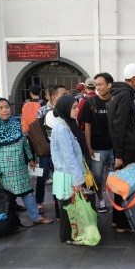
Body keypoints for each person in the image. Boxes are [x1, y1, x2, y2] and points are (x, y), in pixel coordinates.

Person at [0, 97, 53, 227]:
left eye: (6, 107)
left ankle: (35, 217)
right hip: (3, 173)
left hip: (19, 168)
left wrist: (30, 159)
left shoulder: (15, 124)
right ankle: (7, 222)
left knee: (27, 192)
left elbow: (25, 143)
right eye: (1, 108)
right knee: (6, 198)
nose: (5, 110)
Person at [107, 64, 135, 232]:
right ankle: (122, 223)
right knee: (126, 185)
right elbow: (119, 125)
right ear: (133, 78)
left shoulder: (117, 94)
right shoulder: (126, 95)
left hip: (122, 145)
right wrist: (119, 154)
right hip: (126, 147)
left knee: (121, 184)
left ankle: (116, 220)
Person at [50, 96, 86, 243]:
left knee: (68, 206)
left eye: (77, 107)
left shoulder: (66, 123)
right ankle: (68, 236)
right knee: (68, 207)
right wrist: (77, 180)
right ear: (65, 108)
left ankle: (70, 235)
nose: (77, 110)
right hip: (68, 174)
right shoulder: (62, 128)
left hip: (68, 172)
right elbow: (68, 156)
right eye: (74, 107)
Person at [82, 72, 114, 213]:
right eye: (96, 85)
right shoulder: (90, 102)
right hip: (97, 148)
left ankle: (120, 204)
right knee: (97, 177)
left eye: (101, 84)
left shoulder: (115, 100)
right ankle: (101, 201)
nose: (98, 88)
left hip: (114, 148)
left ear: (109, 85)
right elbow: (87, 126)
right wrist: (89, 146)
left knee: (118, 177)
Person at [36, 85, 67, 217]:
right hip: (45, 151)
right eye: (63, 95)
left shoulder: (65, 110)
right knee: (42, 176)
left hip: (60, 152)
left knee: (59, 177)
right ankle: (39, 202)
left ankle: (58, 208)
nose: (66, 97)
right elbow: (37, 131)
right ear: (53, 97)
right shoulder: (43, 110)